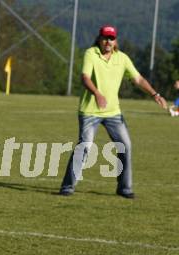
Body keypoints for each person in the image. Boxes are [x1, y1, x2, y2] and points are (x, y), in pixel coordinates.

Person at [59, 25, 167, 199]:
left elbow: (138, 78)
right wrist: (97, 93)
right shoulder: (91, 54)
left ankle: (124, 188)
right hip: (90, 112)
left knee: (125, 146)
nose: (108, 42)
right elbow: (85, 77)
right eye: (105, 38)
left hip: (113, 113)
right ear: (99, 39)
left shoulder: (122, 58)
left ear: (115, 41)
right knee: (85, 146)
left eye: (111, 38)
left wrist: (155, 94)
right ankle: (68, 186)